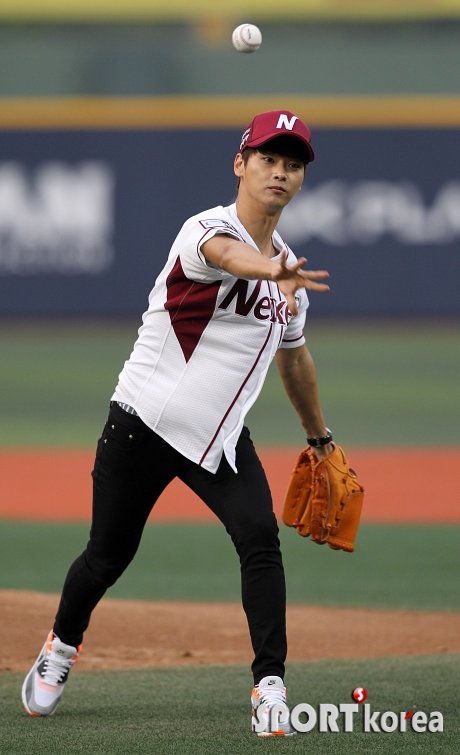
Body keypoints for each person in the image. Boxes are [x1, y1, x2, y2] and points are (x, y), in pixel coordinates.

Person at [22, 109, 335, 736]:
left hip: (219, 438)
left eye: (292, 164)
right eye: (268, 159)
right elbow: (227, 256)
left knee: (260, 538)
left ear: (301, 179)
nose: (279, 172)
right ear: (240, 164)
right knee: (107, 555)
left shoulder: (290, 273)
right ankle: (61, 645)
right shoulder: (207, 229)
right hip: (145, 421)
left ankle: (270, 686)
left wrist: (319, 437)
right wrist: (271, 271)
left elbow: (295, 359)